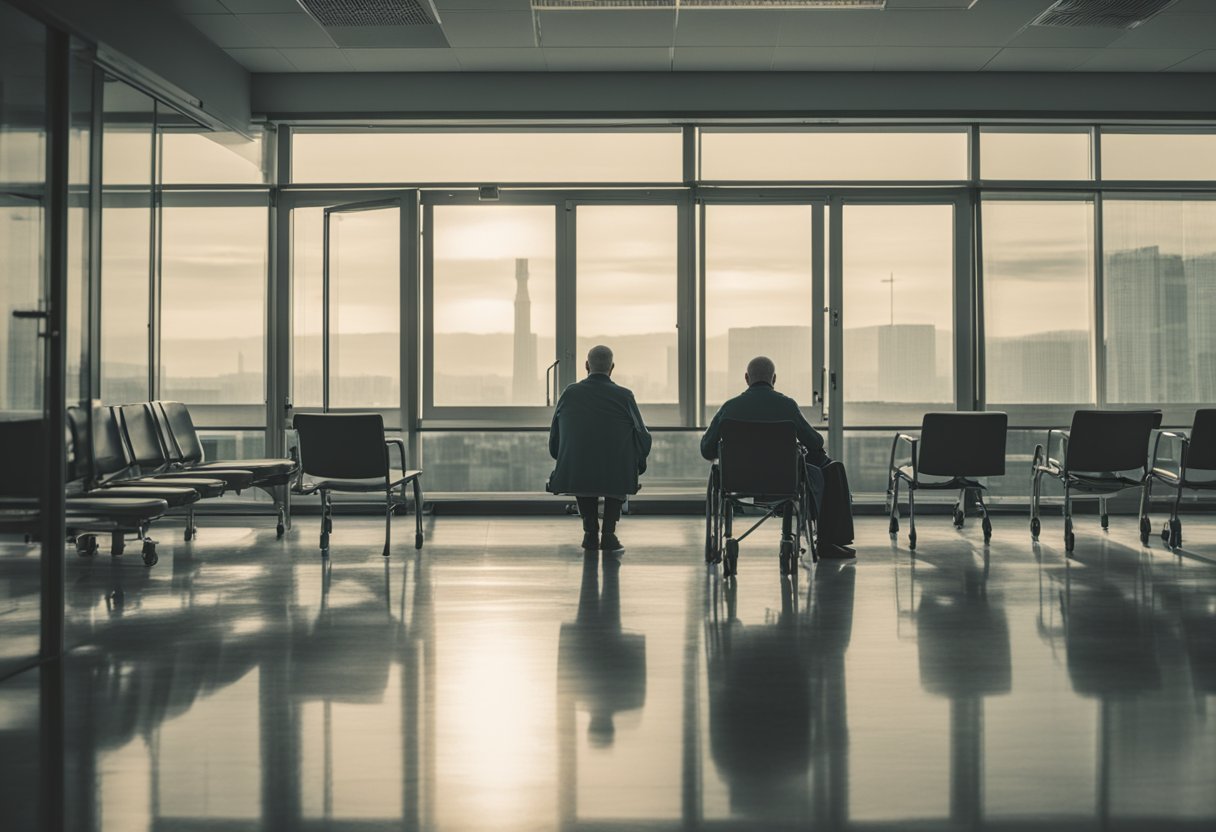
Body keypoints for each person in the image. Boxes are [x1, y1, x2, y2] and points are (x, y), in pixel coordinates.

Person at [701, 355, 855, 558]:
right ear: (774, 379)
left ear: (747, 378)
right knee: (833, 468)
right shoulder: (787, 406)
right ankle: (828, 542)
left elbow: (706, 449)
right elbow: (816, 443)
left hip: (737, 481)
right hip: (783, 481)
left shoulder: (729, 408)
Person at [548, 345, 652, 552]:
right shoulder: (624, 396)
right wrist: (639, 461)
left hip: (576, 471)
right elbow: (642, 436)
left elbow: (555, 439)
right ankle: (609, 534)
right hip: (616, 472)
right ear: (612, 367)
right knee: (617, 464)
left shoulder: (570, 394)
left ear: (586, 365)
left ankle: (589, 533)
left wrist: (562, 457)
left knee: (583, 465)